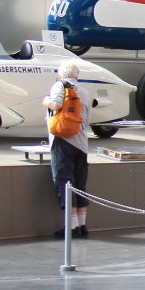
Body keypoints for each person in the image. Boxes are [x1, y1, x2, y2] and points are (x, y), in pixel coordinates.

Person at [44, 59, 92, 239]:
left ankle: (71, 228)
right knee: (80, 184)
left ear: (60, 74)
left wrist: (46, 101)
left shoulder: (59, 86)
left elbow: (56, 104)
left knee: (65, 182)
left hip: (63, 139)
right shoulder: (85, 91)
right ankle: (82, 225)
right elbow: (87, 118)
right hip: (82, 143)